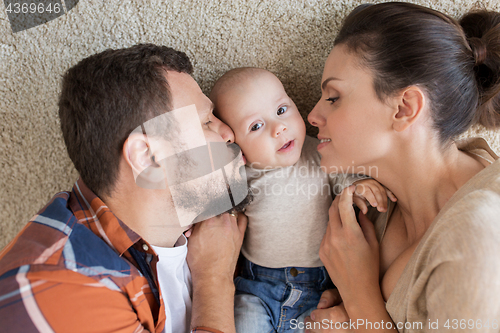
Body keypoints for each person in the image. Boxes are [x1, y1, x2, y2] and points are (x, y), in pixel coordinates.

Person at [0, 44, 249, 333]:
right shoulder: (60, 288)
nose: (228, 132)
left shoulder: (205, 235)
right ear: (148, 157)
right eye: (207, 121)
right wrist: (214, 281)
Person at [304, 2, 500, 332]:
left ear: (404, 108)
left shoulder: (480, 235)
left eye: (334, 97)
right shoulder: (373, 210)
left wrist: (358, 296)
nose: (312, 115)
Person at [209, 67, 396, 332]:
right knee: (243, 322)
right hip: (257, 289)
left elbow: (342, 177)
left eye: (282, 110)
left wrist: (359, 185)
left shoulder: (320, 151)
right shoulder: (240, 175)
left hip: (319, 290)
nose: (279, 128)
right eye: (256, 126)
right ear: (235, 146)